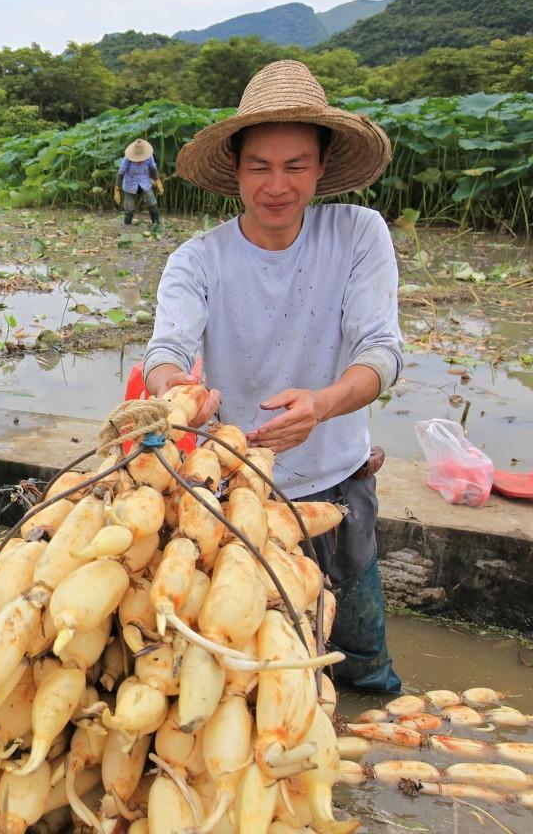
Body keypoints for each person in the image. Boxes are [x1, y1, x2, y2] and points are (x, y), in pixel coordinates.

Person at [143, 60, 403, 691]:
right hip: (236, 494)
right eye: (260, 165)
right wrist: (179, 392)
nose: (277, 185)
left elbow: (381, 352)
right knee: (249, 660)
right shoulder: (197, 259)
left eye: (295, 166)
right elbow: (165, 352)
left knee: (360, 651)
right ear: (236, 171)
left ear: (321, 166)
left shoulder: (357, 234)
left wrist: (325, 402)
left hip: (336, 486)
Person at [113, 138, 163, 226]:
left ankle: (156, 224)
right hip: (130, 184)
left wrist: (158, 181)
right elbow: (120, 174)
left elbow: (153, 169)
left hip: (144, 183)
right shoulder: (127, 159)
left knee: (152, 202)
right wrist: (116, 190)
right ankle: (127, 226)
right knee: (129, 207)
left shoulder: (149, 157)